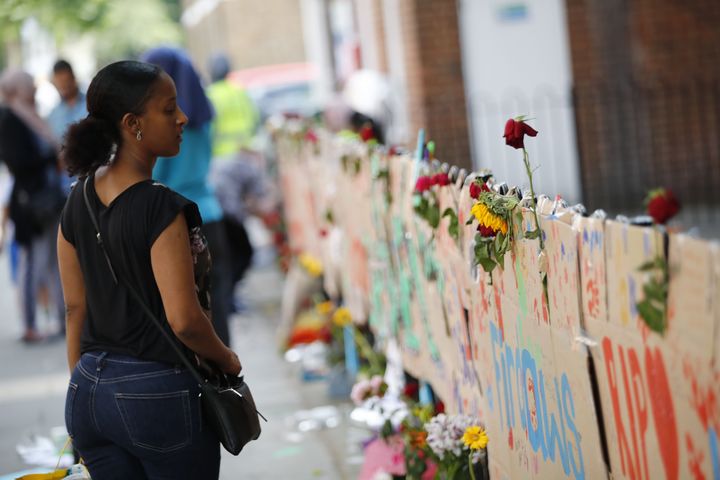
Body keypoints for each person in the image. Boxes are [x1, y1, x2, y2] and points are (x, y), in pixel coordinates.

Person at [57, 60, 241, 478]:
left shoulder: (77, 199)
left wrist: (81, 388)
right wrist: (228, 360)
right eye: (168, 108)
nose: (183, 118)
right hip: (156, 397)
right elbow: (184, 320)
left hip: (88, 393)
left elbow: (74, 309)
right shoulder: (160, 207)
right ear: (132, 123)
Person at [141, 47, 233, 346]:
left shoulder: (163, 126)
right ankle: (227, 383)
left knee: (184, 315)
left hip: (174, 222)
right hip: (210, 214)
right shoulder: (205, 116)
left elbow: (155, 176)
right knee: (216, 307)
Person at [0, 70, 66, 343]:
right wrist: (51, 156)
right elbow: (18, 162)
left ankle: (61, 319)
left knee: (52, 260)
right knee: (33, 264)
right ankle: (30, 324)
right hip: (30, 203)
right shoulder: (10, 118)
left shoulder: (30, 114)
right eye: (27, 84)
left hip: (46, 198)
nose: (32, 88)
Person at [47, 59, 87, 192]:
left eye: (66, 81)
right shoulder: (53, 114)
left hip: (90, 175)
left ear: (73, 78)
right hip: (65, 184)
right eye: (59, 83)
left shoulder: (90, 105)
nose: (63, 86)